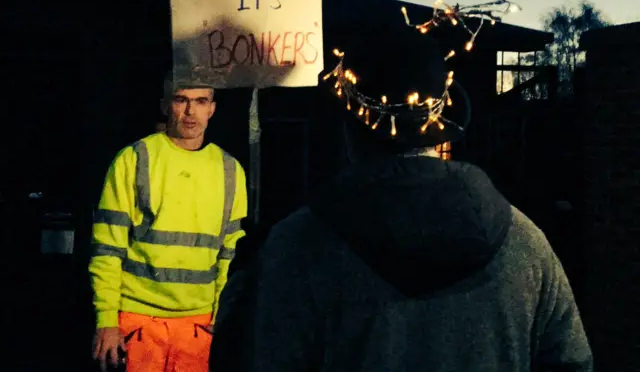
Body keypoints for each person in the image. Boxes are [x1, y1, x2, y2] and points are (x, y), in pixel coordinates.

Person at [216, 25, 593, 371]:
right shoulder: (525, 242)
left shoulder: (298, 246)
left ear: (348, 127)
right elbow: (571, 363)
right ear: (442, 117)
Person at [90, 70, 247, 372]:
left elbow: (230, 253)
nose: (191, 111)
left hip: (199, 326)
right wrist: (106, 320)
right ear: (166, 105)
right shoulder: (134, 159)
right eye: (181, 100)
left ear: (212, 108)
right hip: (137, 321)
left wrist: (221, 316)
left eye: (201, 101)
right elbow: (107, 248)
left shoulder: (230, 170)